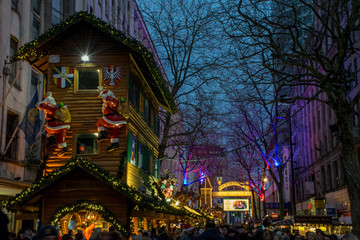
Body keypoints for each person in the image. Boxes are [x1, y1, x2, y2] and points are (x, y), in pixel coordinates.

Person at [37, 92, 70, 156]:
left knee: (47, 128)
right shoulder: (56, 108)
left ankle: (52, 141)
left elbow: (42, 106)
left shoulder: (51, 107)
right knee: (58, 135)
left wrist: (39, 104)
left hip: (54, 124)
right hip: (61, 125)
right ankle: (58, 145)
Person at [96, 86, 127, 152]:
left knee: (99, 121)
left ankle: (104, 134)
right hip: (117, 122)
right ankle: (115, 144)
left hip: (112, 119)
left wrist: (106, 97)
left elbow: (112, 101)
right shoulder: (107, 102)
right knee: (114, 131)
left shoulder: (112, 100)